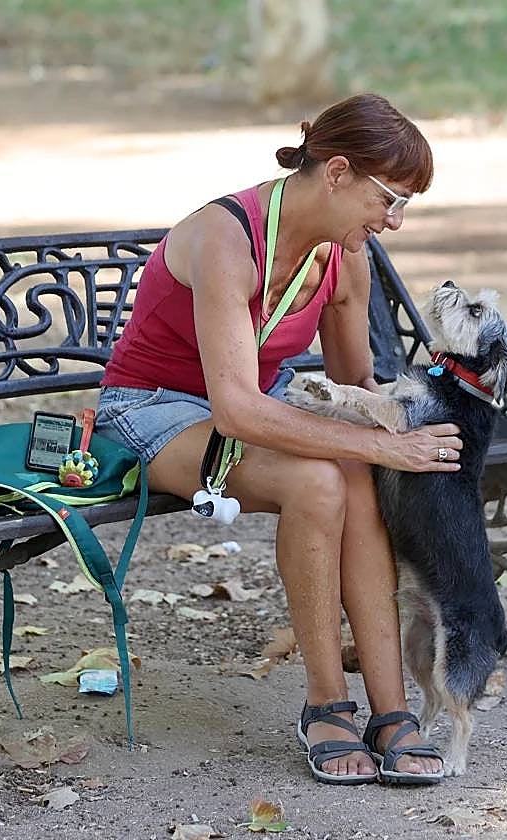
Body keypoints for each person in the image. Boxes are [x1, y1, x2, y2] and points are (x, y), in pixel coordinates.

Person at [96, 93, 463, 785]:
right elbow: (234, 409)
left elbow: (356, 388)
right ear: (337, 173)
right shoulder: (225, 237)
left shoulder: (345, 258)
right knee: (320, 477)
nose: (396, 221)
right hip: (148, 411)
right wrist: (382, 447)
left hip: (245, 411)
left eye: (408, 204)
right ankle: (326, 704)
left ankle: (391, 711)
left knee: (351, 474)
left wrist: (418, 421)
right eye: (389, 199)